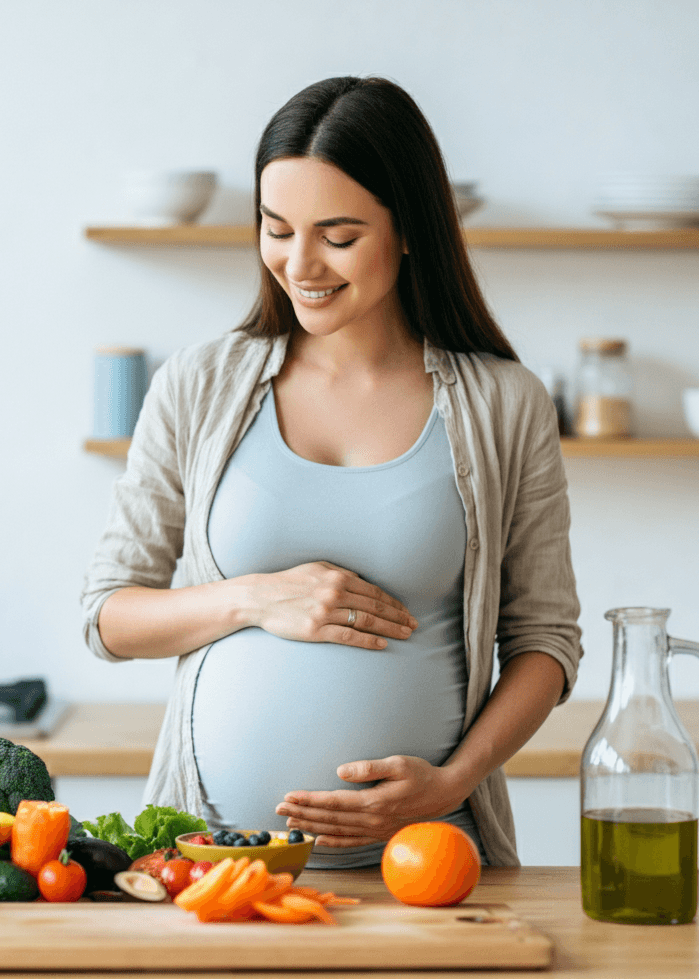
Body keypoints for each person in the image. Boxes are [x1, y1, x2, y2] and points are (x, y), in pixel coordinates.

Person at [81, 76, 582, 869]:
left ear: (410, 228)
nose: (299, 263)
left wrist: (453, 778)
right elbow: (107, 615)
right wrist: (253, 597)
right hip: (214, 867)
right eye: (275, 229)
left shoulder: (504, 403)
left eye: (338, 236)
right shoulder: (199, 384)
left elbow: (546, 643)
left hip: (425, 861)